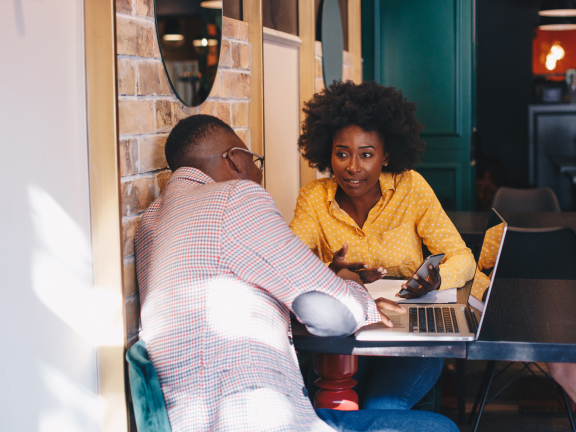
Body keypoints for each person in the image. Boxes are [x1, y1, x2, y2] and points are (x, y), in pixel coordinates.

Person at [134, 114, 459, 432]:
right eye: (254, 162)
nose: (256, 173)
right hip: (259, 418)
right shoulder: (237, 197)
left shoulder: (151, 221)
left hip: (194, 419)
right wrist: (351, 285)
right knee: (440, 428)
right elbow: (330, 314)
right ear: (235, 160)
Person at [290, 81, 476, 410]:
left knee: (381, 409)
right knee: (333, 407)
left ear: (386, 155)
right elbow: (288, 260)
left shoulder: (411, 188)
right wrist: (329, 272)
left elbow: (461, 256)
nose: (352, 166)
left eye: (366, 154)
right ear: (327, 151)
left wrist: (436, 279)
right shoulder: (314, 198)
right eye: (342, 153)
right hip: (346, 336)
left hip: (410, 334)